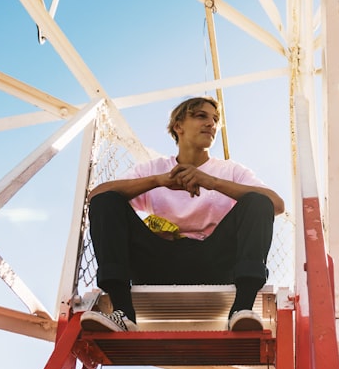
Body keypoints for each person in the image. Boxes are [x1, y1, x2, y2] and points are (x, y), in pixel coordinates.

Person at [81, 96, 285, 332]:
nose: (211, 124)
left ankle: (241, 309)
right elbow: (96, 195)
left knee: (257, 201)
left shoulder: (230, 171)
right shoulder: (154, 169)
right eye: (201, 116)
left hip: (215, 263)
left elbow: (276, 204)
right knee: (107, 201)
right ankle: (123, 313)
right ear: (178, 126)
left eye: (215, 119)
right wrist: (159, 181)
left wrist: (212, 182)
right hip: (159, 262)